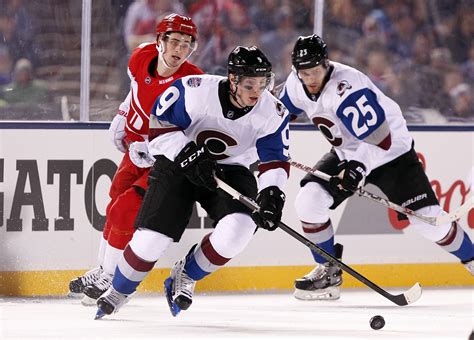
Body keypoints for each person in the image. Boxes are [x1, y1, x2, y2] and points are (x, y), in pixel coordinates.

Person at [95, 45, 290, 317]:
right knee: (152, 239)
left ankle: (185, 274)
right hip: (177, 163)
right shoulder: (196, 91)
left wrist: (272, 193)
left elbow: (275, 160)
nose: (257, 92)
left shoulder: (272, 112)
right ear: (233, 79)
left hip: (230, 169)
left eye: (262, 83)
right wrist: (185, 152)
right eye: (249, 84)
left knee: (240, 229)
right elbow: (158, 124)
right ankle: (120, 289)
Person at [278, 34, 474, 301]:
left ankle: (472, 259)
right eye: (303, 73)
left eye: (313, 71)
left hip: (392, 154)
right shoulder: (296, 83)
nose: (309, 78)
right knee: (309, 201)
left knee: (429, 223)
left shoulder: (348, 89)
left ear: (326, 64)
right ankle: (329, 271)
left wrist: (358, 168)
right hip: (346, 152)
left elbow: (380, 139)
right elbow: (276, 116)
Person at [68, 13, 204, 303]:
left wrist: (155, 148)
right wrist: (122, 115)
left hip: (162, 160)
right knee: (115, 202)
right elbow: (136, 93)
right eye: (175, 42)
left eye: (186, 44)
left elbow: (192, 131)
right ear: (159, 41)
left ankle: (113, 279)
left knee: (125, 210)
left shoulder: (194, 82)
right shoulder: (140, 57)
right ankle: (104, 270)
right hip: (134, 150)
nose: (180, 50)